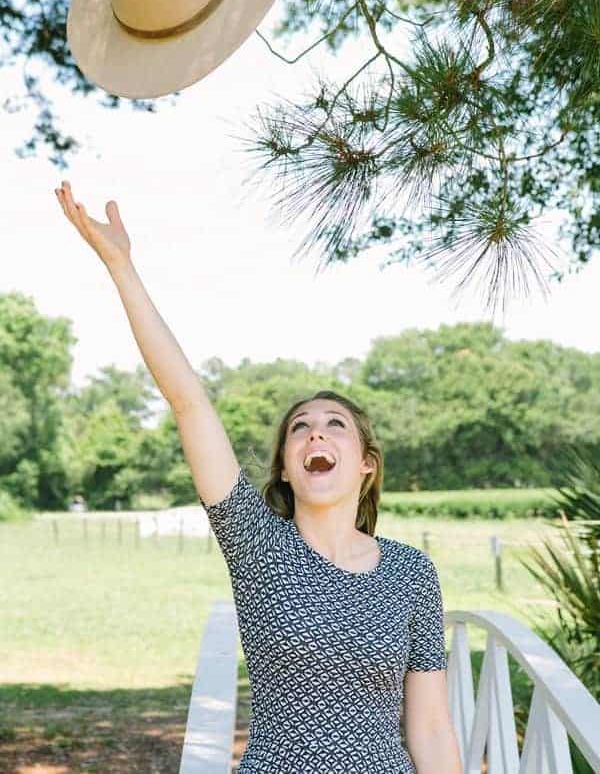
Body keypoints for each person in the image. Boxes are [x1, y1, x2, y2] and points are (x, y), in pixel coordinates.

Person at [54, 180, 463, 774]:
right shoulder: (259, 547)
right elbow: (189, 402)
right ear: (286, 468)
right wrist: (122, 269)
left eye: (334, 425)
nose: (315, 434)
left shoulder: (411, 573)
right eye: (299, 428)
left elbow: (429, 726)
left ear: (367, 465)